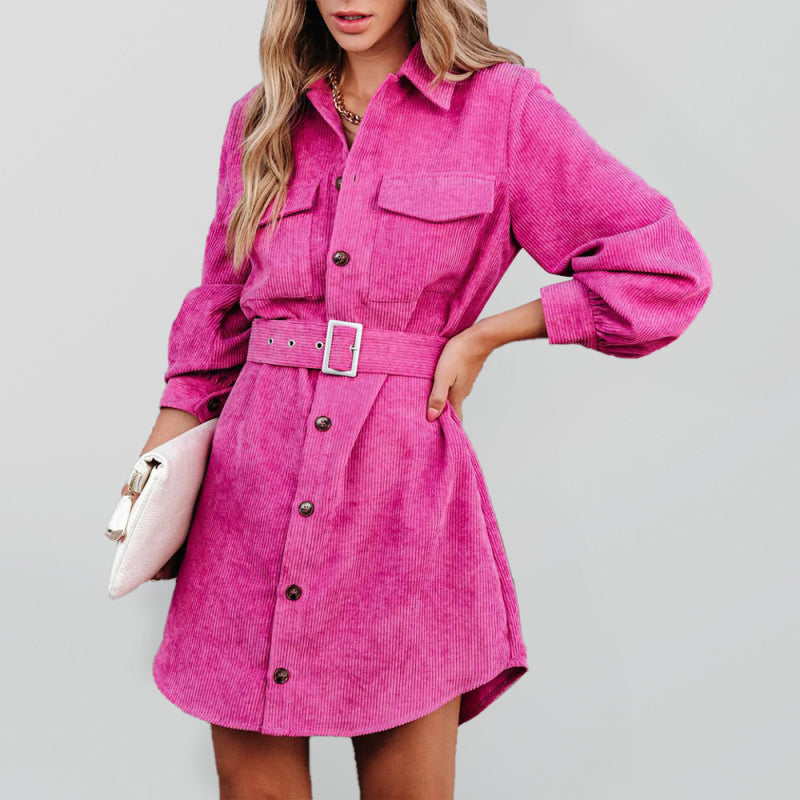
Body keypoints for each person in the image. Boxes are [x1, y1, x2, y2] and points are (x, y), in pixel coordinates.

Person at [130, 1, 712, 797]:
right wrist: (156, 472)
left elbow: (665, 269)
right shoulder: (262, 117)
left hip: (400, 502)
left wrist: (486, 335)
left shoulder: (501, 108)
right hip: (251, 492)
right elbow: (219, 309)